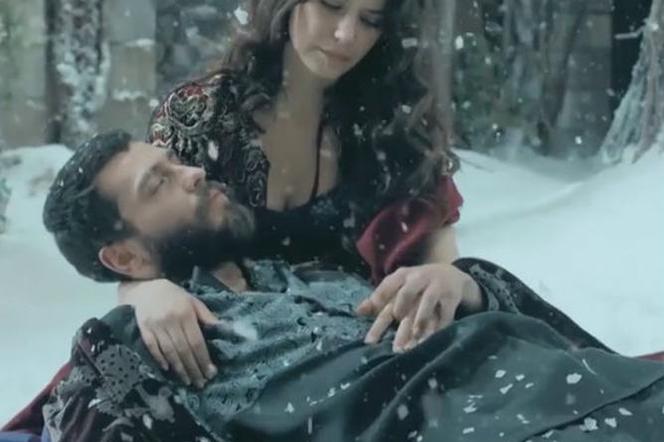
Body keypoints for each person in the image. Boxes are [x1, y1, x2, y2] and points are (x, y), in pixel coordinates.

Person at [38, 132, 664, 441]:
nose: (195, 172)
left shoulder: (304, 271)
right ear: (124, 255)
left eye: (175, 162)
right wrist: (138, 298)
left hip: (568, 386)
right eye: (159, 183)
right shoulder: (139, 344)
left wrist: (460, 284)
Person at [125, 0, 466, 388]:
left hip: (360, 369)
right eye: (331, 6)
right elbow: (131, 249)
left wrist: (447, 279)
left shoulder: (393, 132)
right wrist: (142, 292)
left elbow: (443, 268)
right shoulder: (199, 116)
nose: (346, 35)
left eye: (370, 20)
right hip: (221, 373)